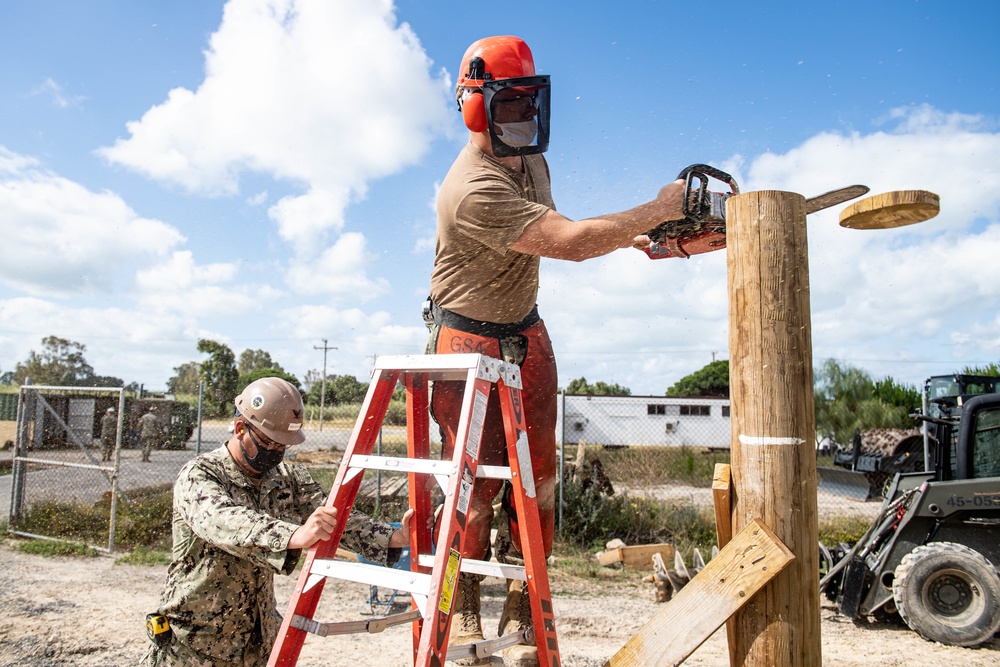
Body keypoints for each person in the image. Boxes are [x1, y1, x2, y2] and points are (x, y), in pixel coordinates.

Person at [426, 36, 688, 667]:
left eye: (526, 104)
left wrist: (640, 234)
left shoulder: (530, 161)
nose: (519, 118)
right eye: (506, 104)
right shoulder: (469, 188)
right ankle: (463, 603)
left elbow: (561, 229)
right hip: (465, 340)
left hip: (527, 335)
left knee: (537, 486)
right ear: (474, 106)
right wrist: (656, 206)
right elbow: (567, 242)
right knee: (473, 492)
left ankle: (522, 597)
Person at [142, 377, 413, 667]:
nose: (276, 451)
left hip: (256, 641)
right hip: (195, 644)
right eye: (269, 442)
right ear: (240, 429)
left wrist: (395, 536)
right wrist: (293, 535)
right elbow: (225, 521)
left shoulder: (287, 478)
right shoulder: (200, 475)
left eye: (283, 445)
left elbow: (335, 518)